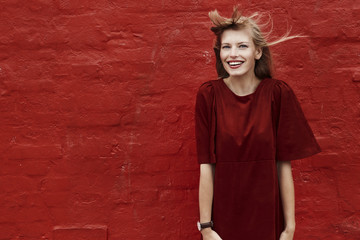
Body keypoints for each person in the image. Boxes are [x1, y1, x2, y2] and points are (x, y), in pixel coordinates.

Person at [194, 6, 322, 240]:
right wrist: (207, 228)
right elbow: (206, 166)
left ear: (258, 52)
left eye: (242, 46)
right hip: (223, 221)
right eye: (226, 47)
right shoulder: (208, 96)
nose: (233, 54)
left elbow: (283, 166)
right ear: (219, 53)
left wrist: (289, 229)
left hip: (267, 219)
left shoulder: (277, 94)